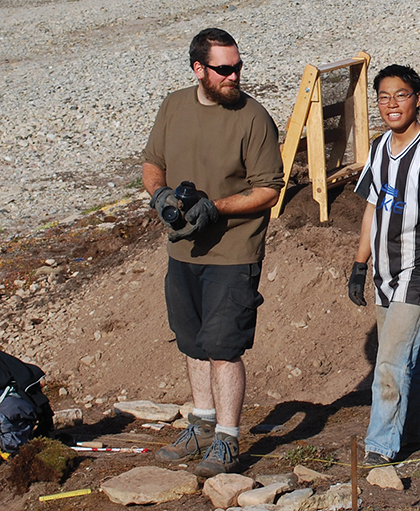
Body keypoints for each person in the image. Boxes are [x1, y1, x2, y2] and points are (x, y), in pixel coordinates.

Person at [142, 28, 284, 477]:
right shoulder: (173, 106)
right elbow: (152, 163)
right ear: (199, 70)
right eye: (224, 69)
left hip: (233, 253)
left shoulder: (253, 118)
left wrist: (216, 208)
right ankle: (200, 426)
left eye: (238, 66)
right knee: (193, 343)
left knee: (223, 347)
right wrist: (160, 196)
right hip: (183, 251)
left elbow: (269, 190)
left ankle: (227, 438)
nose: (234, 75)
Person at [348, 64, 420, 466]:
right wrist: (360, 266)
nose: (392, 104)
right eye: (384, 97)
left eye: (402, 95)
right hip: (384, 273)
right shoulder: (378, 149)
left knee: (390, 362)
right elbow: (372, 208)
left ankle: (380, 445)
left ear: (419, 99)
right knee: (410, 356)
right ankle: (409, 434)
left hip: (417, 274)